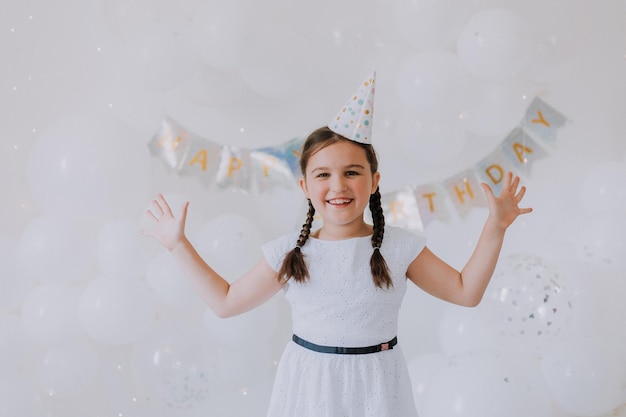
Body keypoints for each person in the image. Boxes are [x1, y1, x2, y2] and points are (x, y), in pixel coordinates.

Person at [142, 71, 532, 416]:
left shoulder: (399, 248)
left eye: (352, 172)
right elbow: (226, 302)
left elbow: (466, 292)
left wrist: (495, 228)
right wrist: (178, 245)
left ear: (374, 181)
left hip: (379, 389)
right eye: (323, 174)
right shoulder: (290, 254)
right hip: (309, 389)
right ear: (305, 187)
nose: (338, 185)